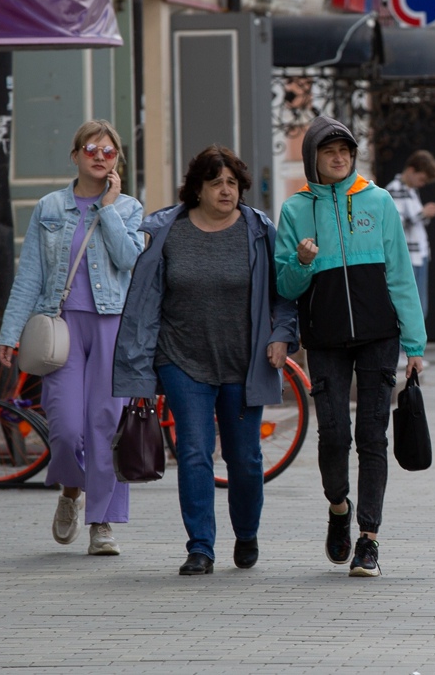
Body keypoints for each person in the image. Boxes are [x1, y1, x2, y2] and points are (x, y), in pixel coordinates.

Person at [113, 145, 298, 576]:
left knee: (246, 459)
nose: (226, 190)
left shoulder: (258, 231)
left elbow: (284, 291)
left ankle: (246, 532)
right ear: (197, 189)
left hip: (242, 362)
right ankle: (200, 547)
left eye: (232, 182)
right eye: (216, 183)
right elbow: (143, 298)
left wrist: (282, 335)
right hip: (181, 359)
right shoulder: (165, 231)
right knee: (195, 452)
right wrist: (141, 361)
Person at [275, 116, 427, 576]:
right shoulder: (295, 210)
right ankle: (338, 507)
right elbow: (284, 284)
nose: (339, 157)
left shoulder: (378, 201)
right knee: (335, 433)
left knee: (372, 435)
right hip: (324, 339)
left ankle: (369, 539)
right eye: (328, 151)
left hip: (380, 337)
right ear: (312, 159)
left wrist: (415, 345)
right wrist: (303, 263)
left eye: (345, 150)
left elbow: (400, 273)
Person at [0, 119, 144, 556]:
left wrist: (110, 208)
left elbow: (128, 259)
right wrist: (10, 332)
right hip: (58, 327)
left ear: (117, 161)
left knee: (105, 425)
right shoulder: (49, 207)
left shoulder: (129, 208)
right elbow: (30, 276)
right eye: (92, 149)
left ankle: (102, 523)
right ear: (76, 155)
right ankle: (71, 489)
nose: (100, 157)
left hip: (110, 325)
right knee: (64, 428)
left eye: (109, 152)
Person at [385, 150, 435, 319]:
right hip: (407, 258)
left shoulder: (410, 190)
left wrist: (424, 215)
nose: (422, 184)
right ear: (411, 171)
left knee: (418, 308)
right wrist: (422, 213)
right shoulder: (393, 190)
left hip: (419, 254)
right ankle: (406, 346)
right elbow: (393, 225)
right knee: (412, 308)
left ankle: (412, 345)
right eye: (421, 179)